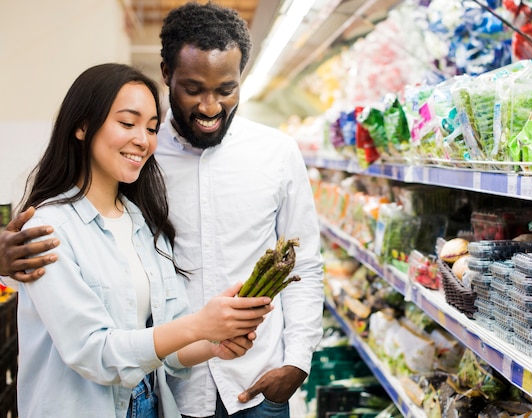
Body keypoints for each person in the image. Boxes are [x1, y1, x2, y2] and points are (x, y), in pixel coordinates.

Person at [0, 2, 326, 418]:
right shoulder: (134, 173)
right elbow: (86, 325)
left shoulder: (273, 154)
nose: (210, 107)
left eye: (226, 89)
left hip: (249, 379)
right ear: (167, 74)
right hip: (170, 393)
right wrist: (3, 260)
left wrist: (295, 360)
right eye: (193, 89)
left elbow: (307, 264)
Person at [12, 62, 273, 418]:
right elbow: (92, 353)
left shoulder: (143, 224)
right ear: (82, 125)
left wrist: (215, 342)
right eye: (127, 123)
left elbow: (168, 342)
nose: (143, 139)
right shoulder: (48, 229)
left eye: (152, 128)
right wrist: (199, 325)